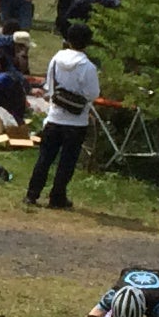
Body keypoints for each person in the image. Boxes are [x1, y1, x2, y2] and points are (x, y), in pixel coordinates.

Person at [28, 22, 102, 211]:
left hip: (54, 117)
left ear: (67, 39)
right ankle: (57, 196)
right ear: (88, 43)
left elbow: (49, 86)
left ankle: (32, 194)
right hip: (76, 121)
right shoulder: (88, 67)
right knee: (67, 161)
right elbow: (92, 94)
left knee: (44, 158)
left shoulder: (56, 59)